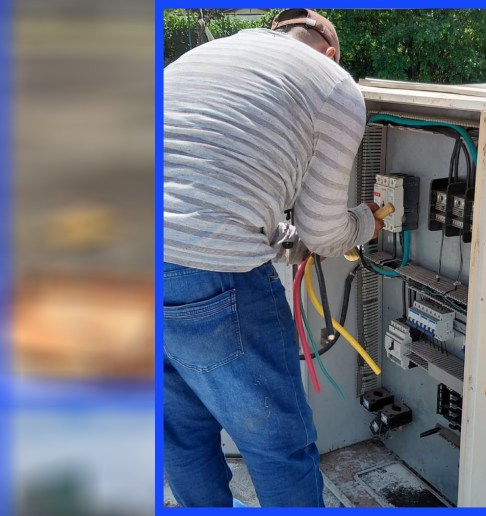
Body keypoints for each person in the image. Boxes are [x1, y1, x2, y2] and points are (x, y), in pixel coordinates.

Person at [163, 9, 382, 507]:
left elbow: (205, 183)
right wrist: (369, 221)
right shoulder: (335, 83)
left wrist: (285, 239)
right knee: (277, 443)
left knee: (180, 432)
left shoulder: (208, 53)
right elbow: (326, 232)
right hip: (210, 275)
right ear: (330, 51)